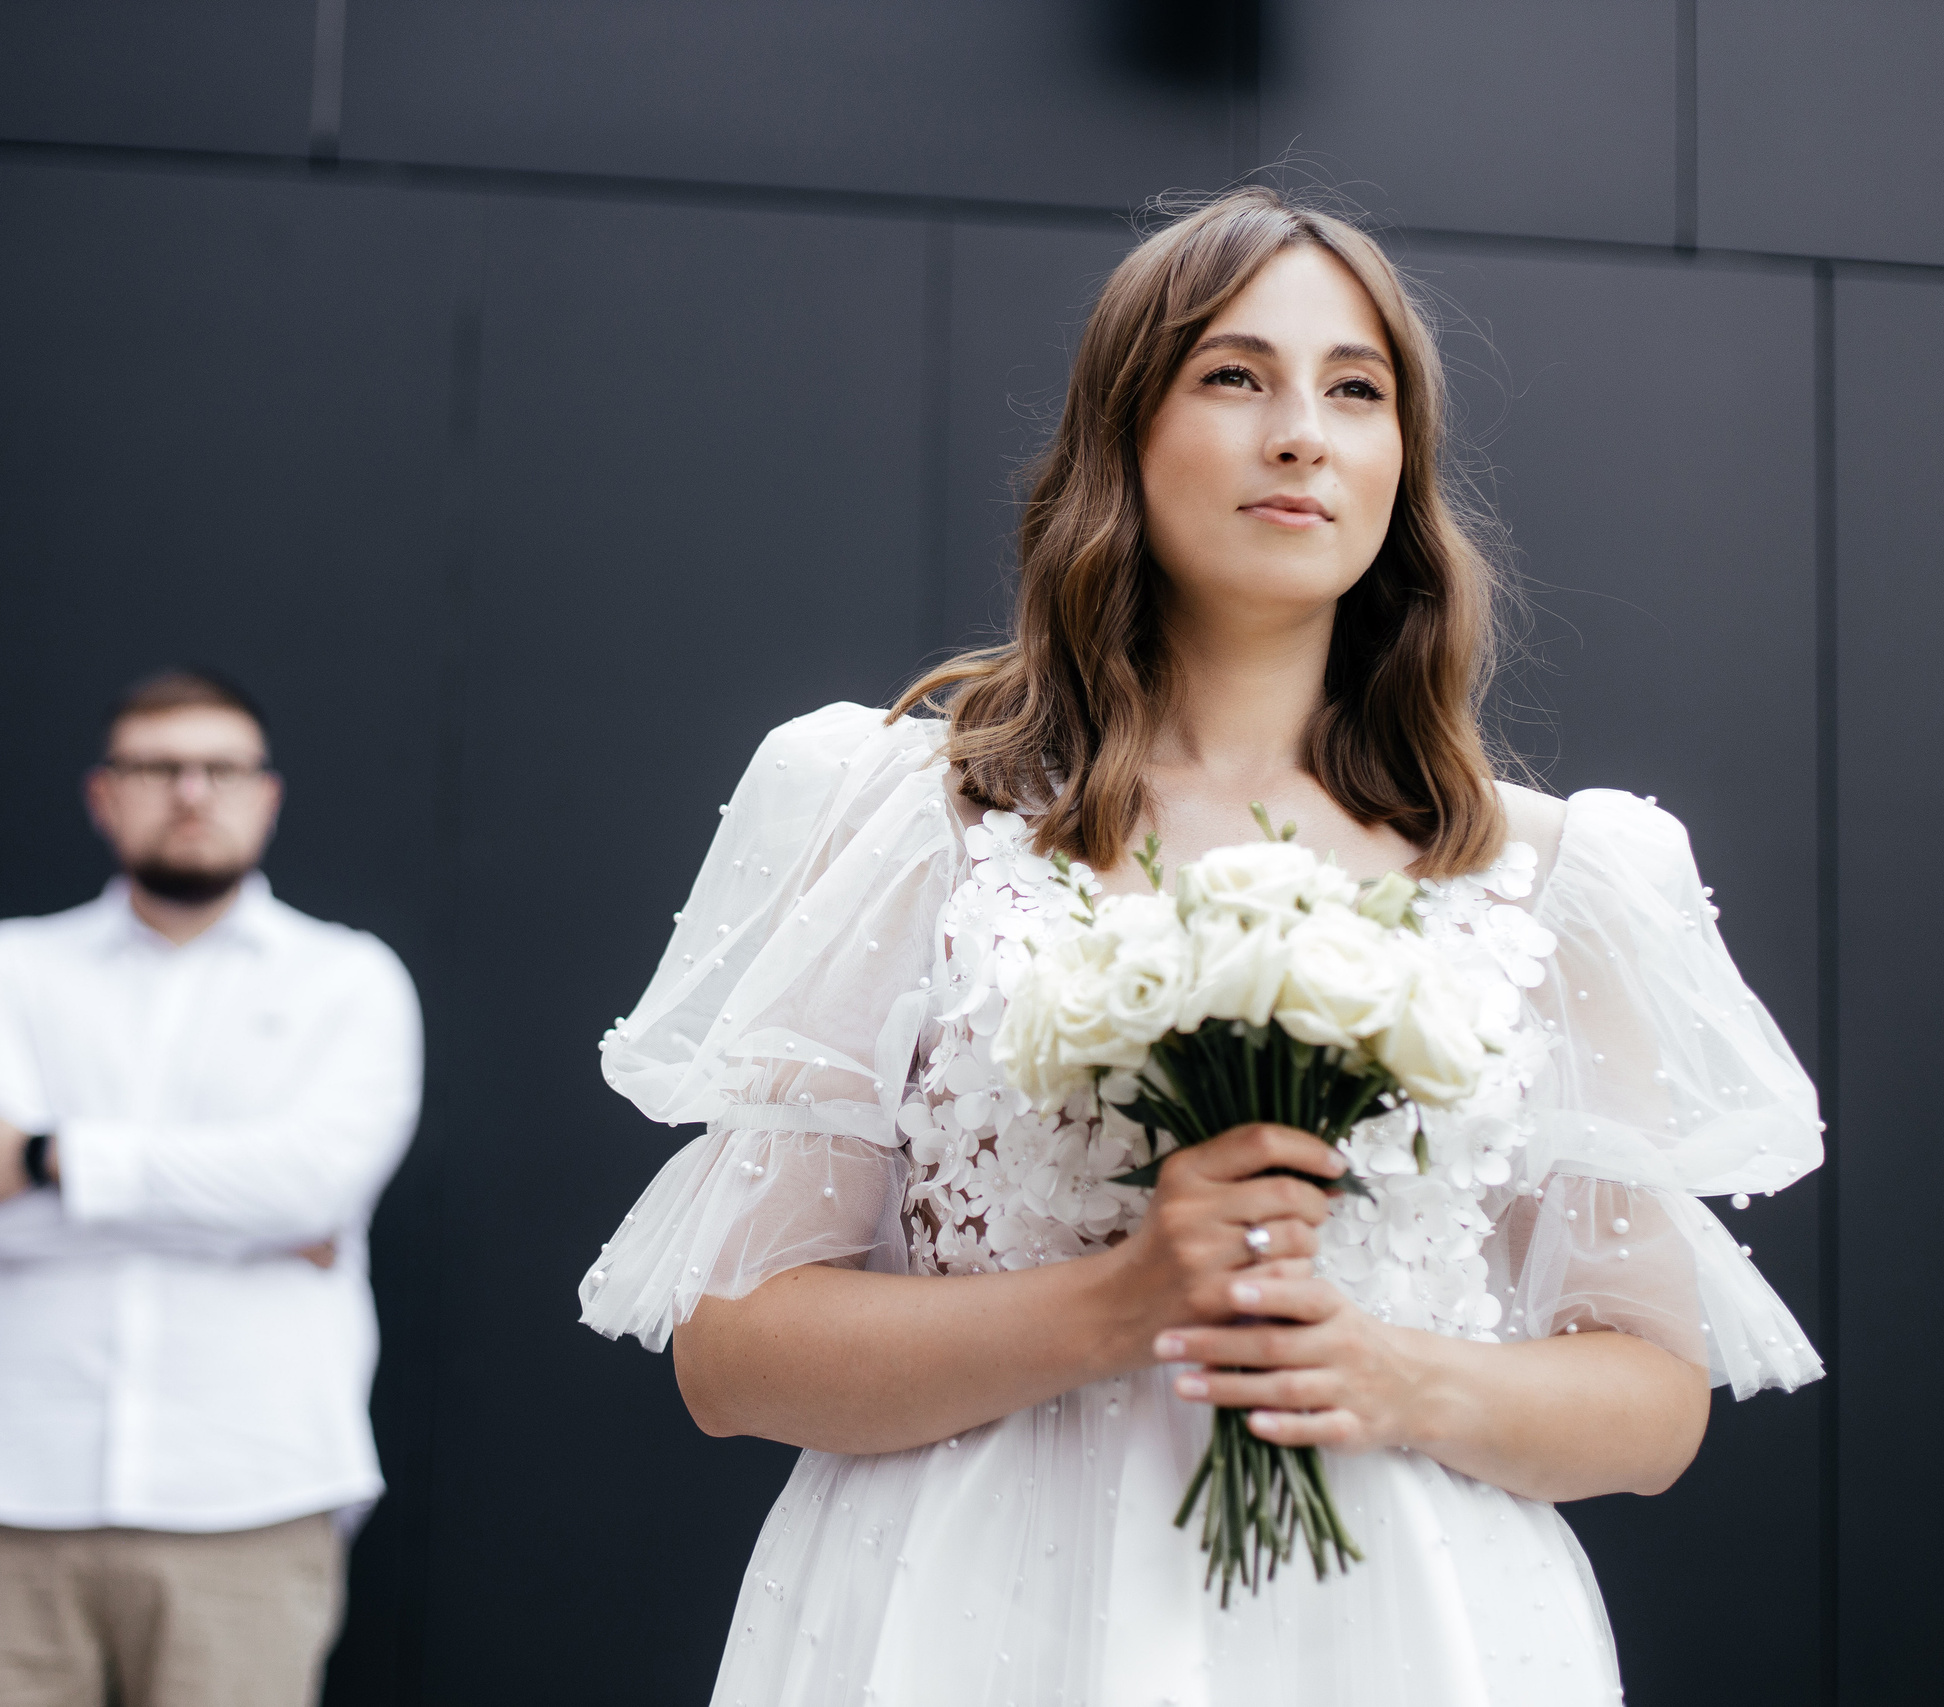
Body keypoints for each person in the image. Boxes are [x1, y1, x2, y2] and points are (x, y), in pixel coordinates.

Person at [579, 188, 1823, 1704]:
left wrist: (1396, 1370)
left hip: (1405, 1630)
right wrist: (1117, 1302)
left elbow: (1648, 1396)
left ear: (1401, 469)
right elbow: (731, 1352)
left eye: (1355, 390)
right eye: (1236, 374)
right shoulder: (920, 812)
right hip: (969, 1618)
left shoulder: (1553, 874)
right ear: (1125, 433)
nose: (1301, 430)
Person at [0, 669, 422, 1707]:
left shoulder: (349, 981)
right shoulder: (5, 972)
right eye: (158, 768)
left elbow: (314, 1187)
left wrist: (49, 1158)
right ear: (105, 794)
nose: (192, 792)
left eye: (220, 768)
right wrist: (247, 1213)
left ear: (265, 795)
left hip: (253, 1499)